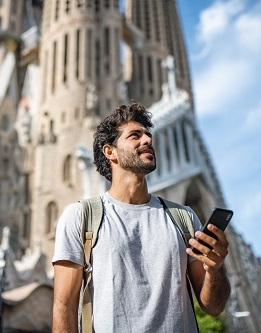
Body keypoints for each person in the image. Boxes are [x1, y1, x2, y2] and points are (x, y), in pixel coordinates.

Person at [52, 101, 231, 332]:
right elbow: (63, 305)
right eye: (135, 136)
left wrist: (215, 268)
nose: (147, 140)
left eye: (148, 135)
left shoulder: (183, 218)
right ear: (110, 152)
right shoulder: (81, 217)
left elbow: (213, 306)